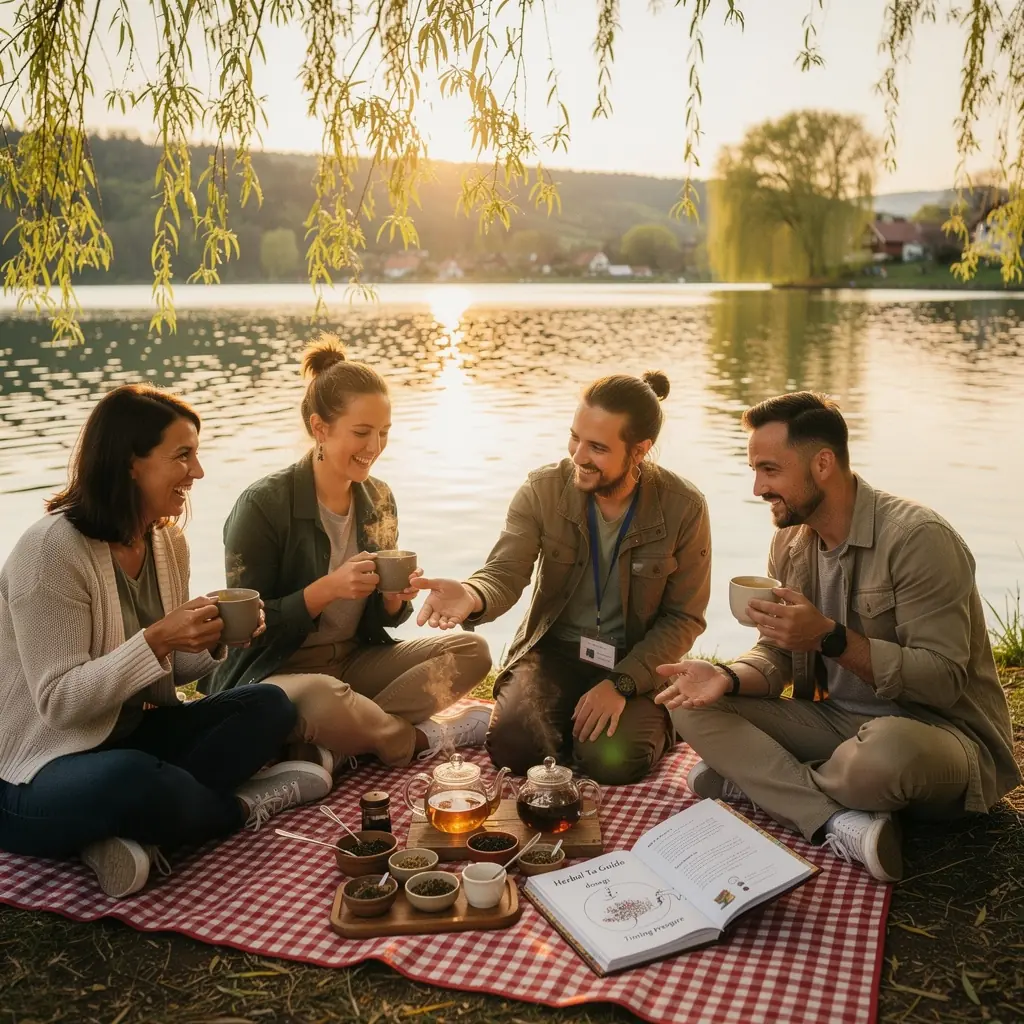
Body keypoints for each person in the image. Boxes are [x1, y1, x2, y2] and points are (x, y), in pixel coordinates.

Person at [658, 391, 1020, 882]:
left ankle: (761, 780)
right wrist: (725, 677)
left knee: (883, 756)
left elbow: (944, 681)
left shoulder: (918, 538)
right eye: (754, 470)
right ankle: (835, 820)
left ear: (823, 463)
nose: (757, 487)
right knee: (688, 704)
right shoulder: (789, 542)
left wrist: (831, 638)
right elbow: (776, 653)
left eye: (769, 470)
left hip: (936, 737)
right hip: (835, 725)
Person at [0, 385, 331, 899]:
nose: (197, 473)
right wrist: (155, 640)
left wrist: (214, 637)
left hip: (129, 737)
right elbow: (59, 703)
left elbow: (170, 673)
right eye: (183, 456)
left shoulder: (164, 539)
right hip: (35, 768)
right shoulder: (49, 553)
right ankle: (237, 808)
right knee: (130, 780)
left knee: (268, 706)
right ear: (131, 463)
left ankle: (122, 831)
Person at [202, 334, 492, 769]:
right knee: (322, 696)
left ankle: (340, 742)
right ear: (320, 428)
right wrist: (328, 589)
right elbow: (244, 631)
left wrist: (394, 600)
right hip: (278, 672)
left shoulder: (379, 497)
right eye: (361, 432)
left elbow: (381, 619)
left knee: (473, 651)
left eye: (383, 433)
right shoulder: (263, 505)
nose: (374, 447)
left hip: (355, 662)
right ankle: (408, 739)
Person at [414, 371, 712, 785]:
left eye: (598, 447)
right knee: (515, 750)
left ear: (639, 450)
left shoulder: (685, 507)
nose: (578, 455)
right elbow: (505, 570)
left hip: (635, 661)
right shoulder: (542, 489)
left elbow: (684, 618)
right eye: (575, 437)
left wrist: (622, 683)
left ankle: (662, 718)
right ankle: (519, 710)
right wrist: (471, 594)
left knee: (613, 760)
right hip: (554, 652)